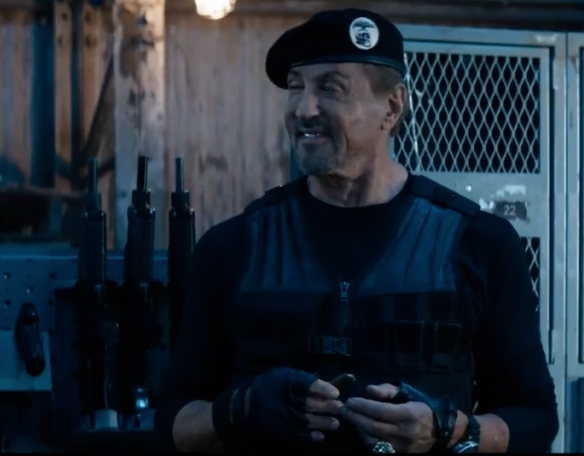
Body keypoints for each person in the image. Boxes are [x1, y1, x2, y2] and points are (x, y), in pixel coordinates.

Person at [154, 8, 558, 454]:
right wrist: (240, 408)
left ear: (392, 106)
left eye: (330, 88)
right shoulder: (232, 247)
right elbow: (173, 424)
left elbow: (536, 420)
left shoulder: (479, 243)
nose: (303, 109)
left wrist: (451, 429)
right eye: (295, 87)